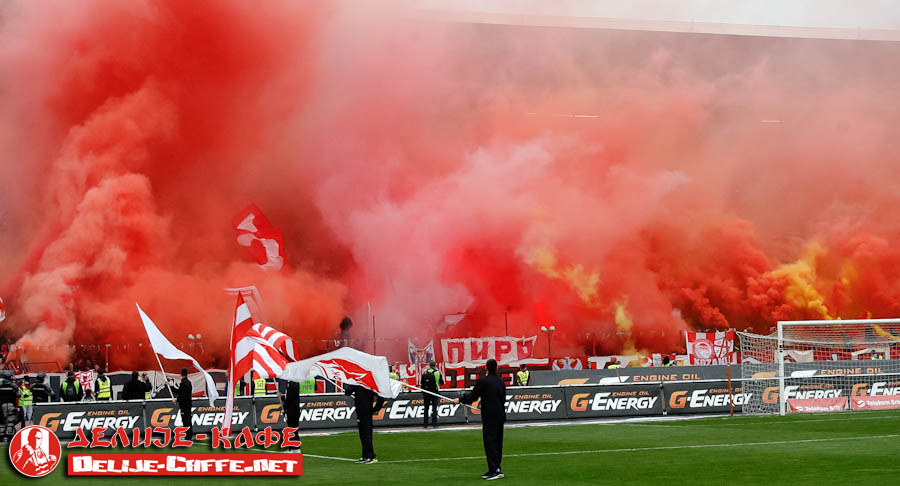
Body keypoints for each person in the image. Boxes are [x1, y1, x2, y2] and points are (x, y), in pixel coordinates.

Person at [456, 359, 506, 480]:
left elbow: (473, 397)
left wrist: (460, 399)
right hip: (500, 415)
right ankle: (495, 468)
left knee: (490, 442)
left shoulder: (483, 381)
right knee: (498, 442)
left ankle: (494, 469)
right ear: (496, 368)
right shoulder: (501, 382)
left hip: (490, 416)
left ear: (486, 368)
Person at [344, 384, 384, 464]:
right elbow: (347, 392)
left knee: (367, 434)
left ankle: (372, 456)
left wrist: (375, 409)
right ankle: (365, 455)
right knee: (362, 434)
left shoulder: (370, 384)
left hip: (366, 412)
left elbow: (381, 397)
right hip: (360, 411)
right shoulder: (357, 383)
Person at [171, 368, 193, 440]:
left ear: (181, 374)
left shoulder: (183, 383)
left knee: (185, 421)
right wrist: (171, 386)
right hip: (188, 405)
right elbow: (180, 392)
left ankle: (188, 436)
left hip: (184, 405)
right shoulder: (189, 383)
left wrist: (176, 400)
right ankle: (189, 435)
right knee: (188, 420)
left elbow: (182, 395)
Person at [280, 379, 302, 453]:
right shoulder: (293, 384)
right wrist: (282, 397)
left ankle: (295, 448)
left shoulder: (293, 384)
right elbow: (289, 397)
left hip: (292, 410)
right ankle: (293, 448)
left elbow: (290, 398)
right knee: (292, 429)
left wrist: (285, 407)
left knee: (292, 429)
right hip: (293, 410)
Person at [421, 361, 444, 428]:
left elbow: (422, 382)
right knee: (434, 409)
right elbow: (441, 382)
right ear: (435, 365)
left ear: (429, 366)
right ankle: (434, 424)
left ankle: (425, 424)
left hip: (426, 392)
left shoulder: (425, 372)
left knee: (426, 408)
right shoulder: (437, 372)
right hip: (434, 392)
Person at [0, 370, 19, 443]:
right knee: (10, 421)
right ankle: (9, 437)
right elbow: (18, 395)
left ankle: (1, 437)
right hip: (10, 404)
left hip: (1, 404)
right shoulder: (12, 385)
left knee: (1, 421)